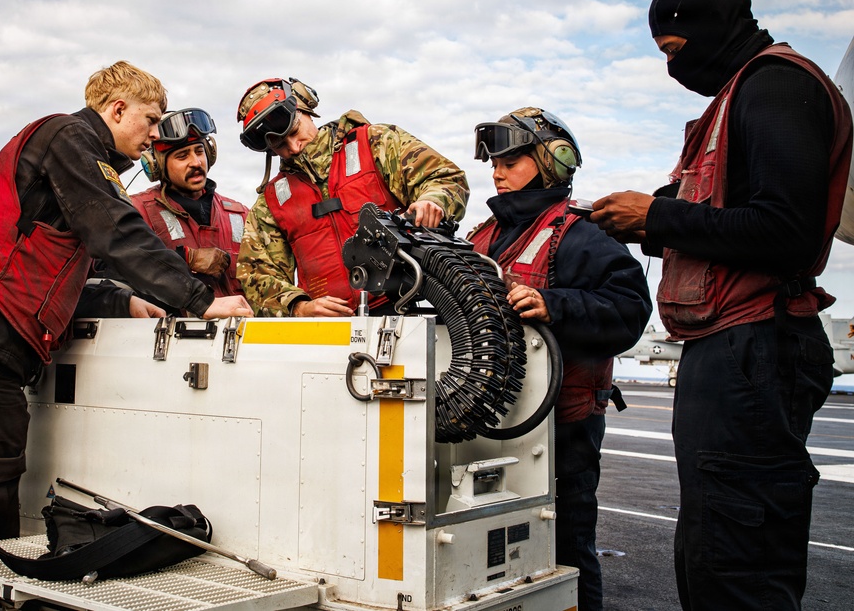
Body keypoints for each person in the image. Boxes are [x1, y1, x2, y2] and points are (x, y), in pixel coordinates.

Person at [0, 61, 253, 611]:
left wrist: (122, 299)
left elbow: (53, 264)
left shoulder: (64, 155)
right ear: (116, 110)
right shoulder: (69, 137)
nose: (156, 134)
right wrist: (202, 300)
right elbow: (112, 227)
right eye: (151, 120)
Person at [590, 0, 852, 610]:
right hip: (731, 347)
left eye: (674, 52)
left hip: (755, 343)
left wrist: (656, 217)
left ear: (708, 27)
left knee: (739, 563)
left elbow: (785, 230)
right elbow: (726, 219)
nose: (672, 69)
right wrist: (646, 218)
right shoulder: (735, 98)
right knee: (712, 551)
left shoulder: (775, 86)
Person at [467, 107, 651, 611]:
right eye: (494, 162)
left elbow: (631, 311)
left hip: (563, 429)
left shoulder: (583, 234)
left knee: (565, 552)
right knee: (492, 554)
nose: (497, 171)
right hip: (491, 424)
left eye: (510, 159)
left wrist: (556, 304)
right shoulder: (482, 237)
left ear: (551, 162)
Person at [235, 77, 469, 316]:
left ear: (305, 107)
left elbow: (445, 177)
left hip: (413, 312)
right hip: (329, 330)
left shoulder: (377, 143)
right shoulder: (270, 203)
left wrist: (432, 201)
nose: (294, 147)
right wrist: (298, 307)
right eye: (280, 146)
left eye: (295, 132)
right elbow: (257, 271)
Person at [133, 107, 249, 298]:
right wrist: (185, 259)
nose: (196, 162)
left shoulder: (241, 214)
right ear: (157, 166)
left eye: (199, 151)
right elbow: (113, 267)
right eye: (182, 156)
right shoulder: (138, 211)